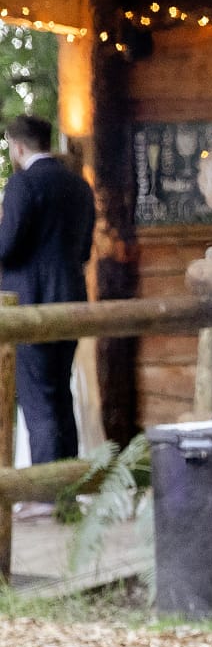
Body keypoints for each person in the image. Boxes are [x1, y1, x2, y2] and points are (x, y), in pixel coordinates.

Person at [0, 114, 95, 471]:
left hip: (31, 303)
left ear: (18, 146)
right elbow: (84, 251)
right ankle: (67, 483)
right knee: (60, 394)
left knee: (39, 401)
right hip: (71, 299)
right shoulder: (79, 186)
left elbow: (6, 247)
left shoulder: (23, 184)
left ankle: (45, 492)